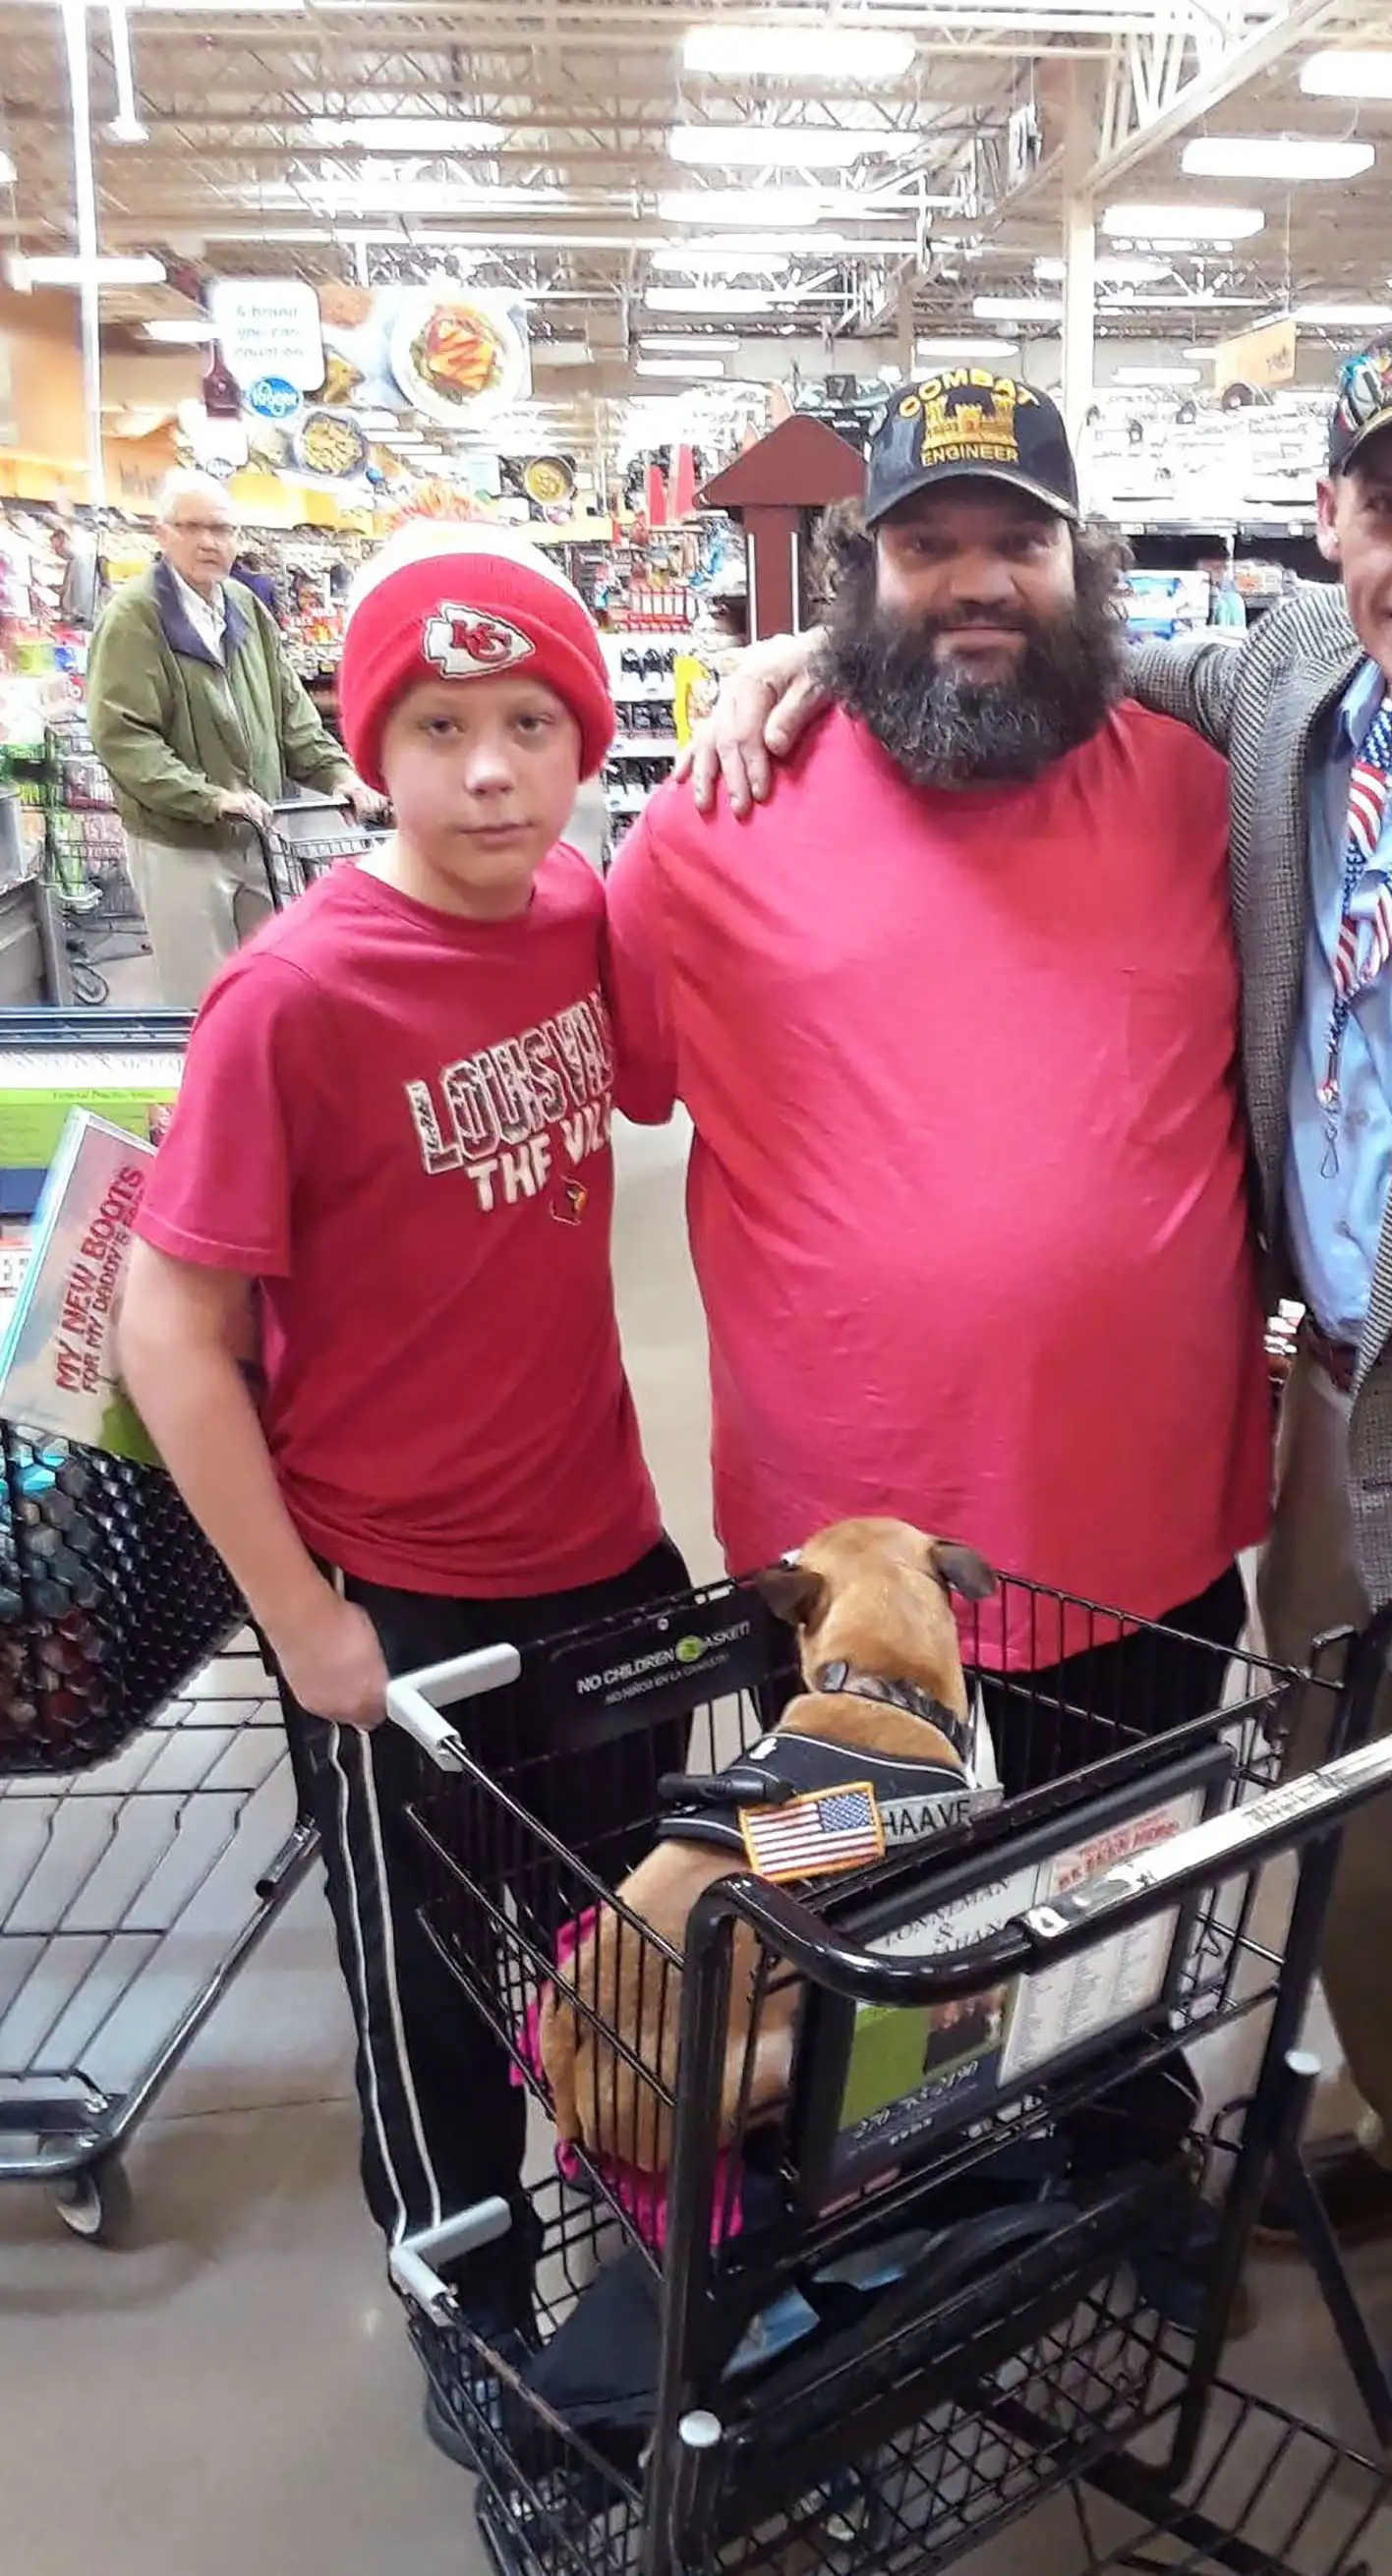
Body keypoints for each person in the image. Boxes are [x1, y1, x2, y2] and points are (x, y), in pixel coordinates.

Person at [683, 315, 1392, 2484]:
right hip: (1335, 1419)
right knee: (1356, 1851)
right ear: (1329, 525)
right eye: (1390, 502)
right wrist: (812, 664)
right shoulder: (1297, 685)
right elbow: (1022, 665)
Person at [118, 526, 688, 2455]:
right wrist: (307, 1625)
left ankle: (649, 2255)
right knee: (434, 2003)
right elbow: (167, 1332)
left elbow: (665, 1077)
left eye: (532, 720)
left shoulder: (576, 915)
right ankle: (468, 2303)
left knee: (639, 1951)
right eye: (437, 726)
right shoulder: (290, 995)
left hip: (607, 1551)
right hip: (405, 1603)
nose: (489, 771)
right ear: (368, 746)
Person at [607, 372, 1272, 1780]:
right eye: (928, 548)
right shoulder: (715, 821)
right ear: (862, 578)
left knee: (1112, 1941)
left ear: (1083, 569)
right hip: (841, 1569)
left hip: (1136, 1532)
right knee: (840, 1947)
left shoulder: (1201, 795)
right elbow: (600, 1072)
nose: (979, 583)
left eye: (1020, 545)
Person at [86, 469, 384, 1007]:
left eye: (222, 529)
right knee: (200, 996)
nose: (209, 542)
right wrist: (208, 797)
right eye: (192, 527)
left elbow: (290, 713)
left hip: (257, 829)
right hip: (178, 841)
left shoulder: (246, 607)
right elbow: (124, 737)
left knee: (273, 978)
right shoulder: (133, 619)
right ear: (162, 535)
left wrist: (338, 775)